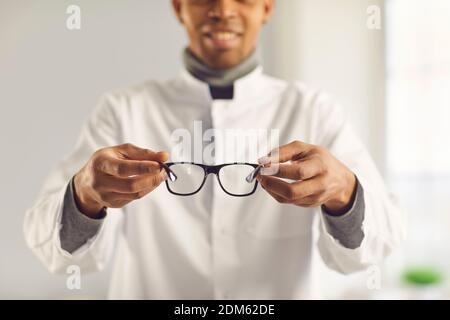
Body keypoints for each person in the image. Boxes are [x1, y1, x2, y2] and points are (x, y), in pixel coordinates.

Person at [24, 0, 405, 299]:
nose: (223, 10)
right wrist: (83, 196)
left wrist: (344, 193)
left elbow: (374, 246)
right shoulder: (123, 109)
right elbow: (53, 250)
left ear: (267, 7)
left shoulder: (313, 110)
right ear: (179, 7)